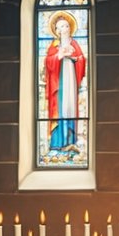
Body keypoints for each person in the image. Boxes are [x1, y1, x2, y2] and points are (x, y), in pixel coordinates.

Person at [44, 10, 87, 154]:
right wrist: (59, 55)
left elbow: (82, 59)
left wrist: (77, 59)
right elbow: (48, 63)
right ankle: (57, 144)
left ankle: (70, 142)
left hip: (71, 79)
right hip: (59, 82)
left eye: (67, 26)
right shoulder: (54, 46)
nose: (65, 29)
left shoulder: (74, 43)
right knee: (60, 109)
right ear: (56, 30)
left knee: (71, 107)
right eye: (62, 26)